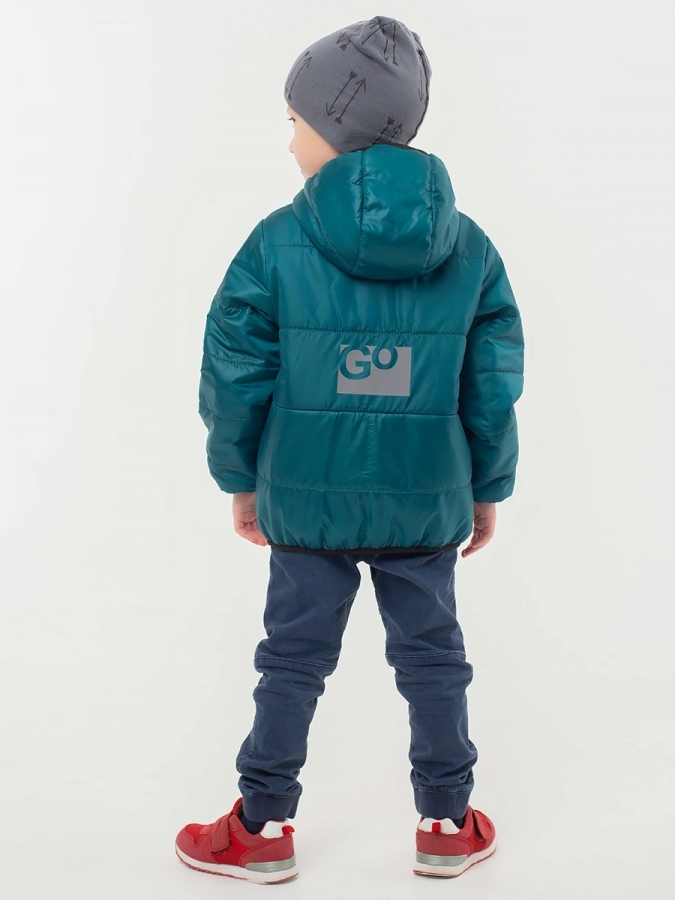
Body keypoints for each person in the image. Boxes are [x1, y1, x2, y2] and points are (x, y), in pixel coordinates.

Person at [175, 15, 524, 884]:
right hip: (424, 495)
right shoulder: (469, 247)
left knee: (290, 660)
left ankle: (261, 828)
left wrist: (240, 478)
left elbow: (234, 372)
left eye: (294, 119)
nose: (288, 137)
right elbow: (491, 383)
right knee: (433, 657)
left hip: (304, 494)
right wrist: (485, 486)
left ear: (335, 126)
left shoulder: (275, 240)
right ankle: (446, 822)